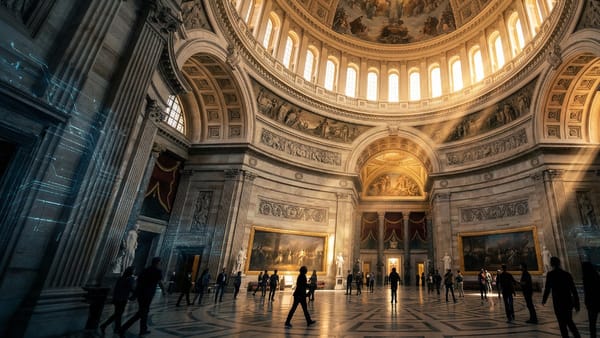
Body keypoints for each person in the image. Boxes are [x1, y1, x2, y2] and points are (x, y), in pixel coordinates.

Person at [119, 257, 166, 337]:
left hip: (141, 294)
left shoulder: (145, 270)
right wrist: (164, 290)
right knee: (142, 312)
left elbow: (139, 282)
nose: (161, 264)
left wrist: (135, 294)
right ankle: (123, 328)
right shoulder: (158, 271)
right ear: (158, 263)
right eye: (160, 263)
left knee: (144, 311)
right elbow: (159, 282)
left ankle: (143, 329)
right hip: (148, 294)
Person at [542, 257, 580, 338]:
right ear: (559, 263)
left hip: (558, 301)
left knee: (561, 323)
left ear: (551, 264)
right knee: (569, 321)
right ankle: (577, 336)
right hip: (568, 300)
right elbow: (574, 290)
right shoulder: (567, 274)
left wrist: (544, 300)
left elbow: (547, 288)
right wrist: (577, 303)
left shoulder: (550, 275)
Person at [100, 266, 135, 334]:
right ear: (131, 272)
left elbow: (116, 288)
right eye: (134, 270)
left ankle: (116, 328)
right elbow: (131, 288)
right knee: (118, 314)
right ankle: (105, 325)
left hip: (117, 298)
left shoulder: (121, 278)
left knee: (118, 314)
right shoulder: (130, 279)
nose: (134, 272)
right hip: (122, 299)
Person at [582, 261, 600, 338]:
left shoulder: (586, 278)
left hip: (592, 302)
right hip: (598, 300)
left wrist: (586, 302)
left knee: (592, 323)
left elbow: (587, 291)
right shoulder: (597, 275)